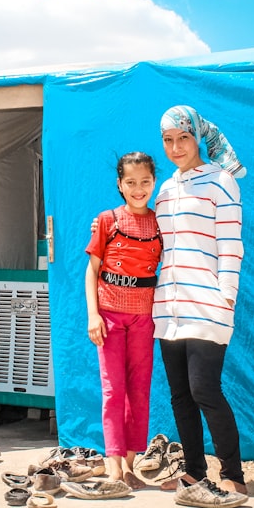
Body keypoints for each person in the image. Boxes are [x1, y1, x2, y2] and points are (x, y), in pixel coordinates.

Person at [153, 104, 249, 508]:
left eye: (183, 138)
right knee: (180, 396)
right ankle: (193, 471)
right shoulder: (165, 188)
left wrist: (226, 296)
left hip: (207, 304)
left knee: (204, 389)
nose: (176, 147)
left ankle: (234, 476)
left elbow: (230, 243)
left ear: (197, 136)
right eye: (168, 140)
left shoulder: (221, 181)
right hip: (169, 307)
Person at [84, 151, 162, 490]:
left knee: (139, 392)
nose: (138, 188)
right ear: (120, 184)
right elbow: (92, 271)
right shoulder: (107, 221)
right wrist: (93, 315)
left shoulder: (161, 223)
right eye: (131, 182)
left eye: (145, 181)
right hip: (110, 318)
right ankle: (113, 464)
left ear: (154, 183)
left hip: (145, 318)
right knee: (113, 391)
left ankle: (130, 465)